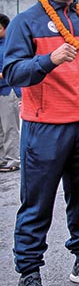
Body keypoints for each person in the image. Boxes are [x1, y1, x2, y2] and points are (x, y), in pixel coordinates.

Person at [4, 0, 79, 286]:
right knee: (37, 203)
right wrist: (48, 59)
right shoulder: (25, 22)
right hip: (44, 127)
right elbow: (13, 72)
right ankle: (29, 273)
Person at [0, 13, 21, 172]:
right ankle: (2, 158)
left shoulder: (9, 45)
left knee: (10, 127)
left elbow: (12, 70)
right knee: (1, 128)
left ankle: (13, 160)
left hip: (8, 90)